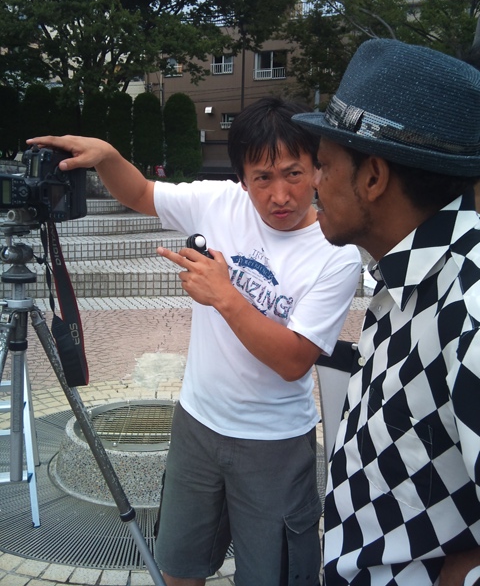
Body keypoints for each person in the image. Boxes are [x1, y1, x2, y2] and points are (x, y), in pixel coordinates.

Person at [28, 97, 361, 586]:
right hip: (196, 424)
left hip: (273, 443)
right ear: (242, 179)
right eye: (262, 178)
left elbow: (293, 360)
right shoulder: (218, 202)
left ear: (316, 169)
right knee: (180, 568)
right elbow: (141, 192)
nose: (280, 194)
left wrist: (225, 296)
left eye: (294, 173)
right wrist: (109, 157)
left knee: (273, 576)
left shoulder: (336, 255)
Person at [292, 39, 480, 586]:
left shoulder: (469, 303)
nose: (313, 183)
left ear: (373, 178)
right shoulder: (412, 273)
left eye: (324, 165)